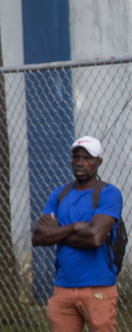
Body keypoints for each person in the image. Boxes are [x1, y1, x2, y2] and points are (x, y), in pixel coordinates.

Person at [32, 136, 122, 332]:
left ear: (99, 161)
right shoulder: (60, 194)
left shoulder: (108, 193)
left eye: (87, 158)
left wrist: (57, 230)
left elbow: (96, 237)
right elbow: (38, 237)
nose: (80, 162)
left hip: (98, 287)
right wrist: (74, 228)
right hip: (63, 287)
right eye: (76, 157)